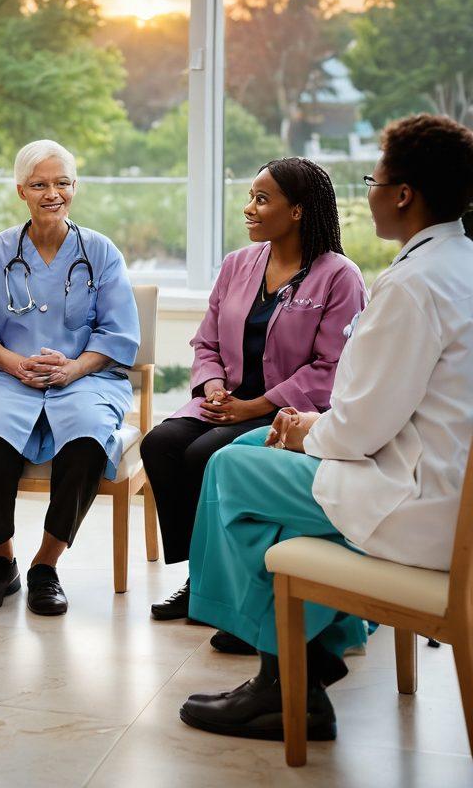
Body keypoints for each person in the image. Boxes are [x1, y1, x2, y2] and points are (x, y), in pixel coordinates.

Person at [180, 114, 473, 741]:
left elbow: (360, 426)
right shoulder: (460, 263)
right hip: (438, 480)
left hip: (415, 502)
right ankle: (310, 658)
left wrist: (301, 431)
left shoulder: (410, 285)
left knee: (231, 467)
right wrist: (298, 429)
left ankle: (283, 679)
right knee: (256, 453)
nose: (366, 191)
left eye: (375, 178)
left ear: (402, 195)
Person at [141, 158, 366, 625]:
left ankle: (218, 583)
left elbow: (332, 367)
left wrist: (258, 405)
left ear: (299, 211)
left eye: (262, 199)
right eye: (250, 196)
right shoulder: (237, 265)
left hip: (290, 415)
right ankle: (201, 578)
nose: (249, 208)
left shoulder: (338, 276)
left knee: (203, 455)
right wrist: (214, 384)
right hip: (225, 405)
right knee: (160, 445)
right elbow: (206, 342)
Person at [0, 140, 140, 617]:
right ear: (21, 191)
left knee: (87, 441)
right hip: (7, 377)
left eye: (61, 183)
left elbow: (118, 332)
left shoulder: (100, 252)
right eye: (39, 184)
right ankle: (1, 564)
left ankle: (45, 566)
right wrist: (14, 363)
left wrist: (73, 367)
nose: (51, 193)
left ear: (75, 187)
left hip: (85, 379)